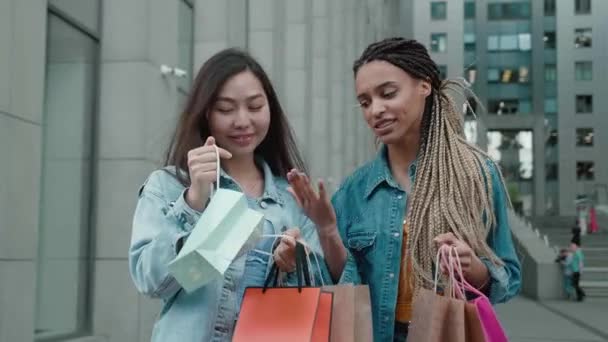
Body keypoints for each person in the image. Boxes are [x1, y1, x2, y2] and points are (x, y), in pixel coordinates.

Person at [279, 38, 521, 341]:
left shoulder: (477, 175)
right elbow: (343, 284)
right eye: (365, 102)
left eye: (388, 93)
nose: (375, 110)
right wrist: (326, 229)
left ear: (425, 86)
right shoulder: (355, 189)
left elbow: (508, 277)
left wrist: (474, 268)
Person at [129, 48, 330, 342]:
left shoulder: (291, 197)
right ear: (205, 113)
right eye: (226, 109)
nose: (242, 121)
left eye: (255, 106)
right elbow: (152, 282)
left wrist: (292, 263)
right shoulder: (168, 186)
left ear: (270, 109)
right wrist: (194, 201)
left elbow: (318, 288)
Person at [569, 237, 586, 301]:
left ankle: (582, 293)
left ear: (576, 246)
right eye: (570, 246)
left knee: (574, 284)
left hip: (577, 271)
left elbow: (580, 262)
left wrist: (581, 270)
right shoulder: (575, 252)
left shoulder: (578, 252)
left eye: (572, 246)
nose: (571, 248)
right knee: (575, 284)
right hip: (574, 270)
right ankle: (580, 297)